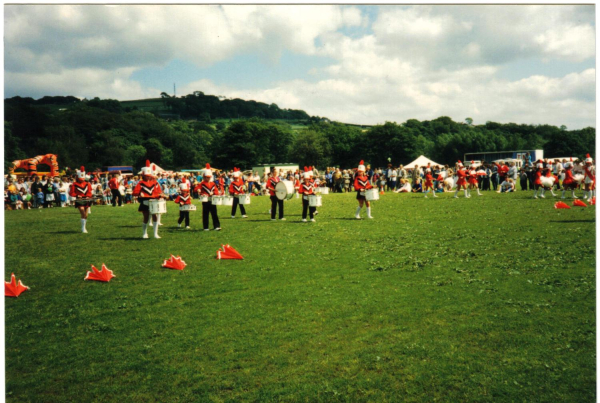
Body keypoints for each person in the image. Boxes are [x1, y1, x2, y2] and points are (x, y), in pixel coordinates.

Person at [132, 160, 165, 239]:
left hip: (154, 201)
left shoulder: (155, 182)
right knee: (146, 217)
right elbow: (134, 192)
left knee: (155, 216)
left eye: (149, 175)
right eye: (147, 175)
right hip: (145, 201)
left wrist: (161, 195)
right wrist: (139, 194)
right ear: (143, 175)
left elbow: (158, 192)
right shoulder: (140, 183)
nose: (148, 177)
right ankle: (144, 233)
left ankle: (155, 234)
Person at [195, 163, 222, 231]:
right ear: (204, 177)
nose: (208, 178)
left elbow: (216, 191)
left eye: (209, 177)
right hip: (205, 200)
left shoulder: (213, 183)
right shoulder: (202, 183)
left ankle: (216, 226)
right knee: (205, 214)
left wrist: (213, 193)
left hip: (212, 200)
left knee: (214, 213)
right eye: (207, 177)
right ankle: (206, 227)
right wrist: (198, 190)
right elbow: (196, 189)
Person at [69, 166, 93, 233]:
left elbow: (89, 192)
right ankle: (83, 228)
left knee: (86, 215)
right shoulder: (74, 184)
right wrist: (77, 195)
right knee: (82, 212)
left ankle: (84, 227)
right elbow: (72, 193)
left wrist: (88, 196)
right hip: (79, 200)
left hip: (87, 200)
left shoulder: (88, 184)